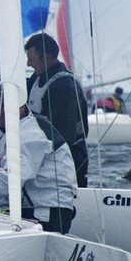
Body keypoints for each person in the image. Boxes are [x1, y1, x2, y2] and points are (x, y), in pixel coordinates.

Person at [0, 89, 77, 233]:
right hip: (33, 209)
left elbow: (10, 181)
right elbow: (10, 172)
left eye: (5, 106)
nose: (0, 112)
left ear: (21, 106)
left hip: (47, 214)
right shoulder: (18, 128)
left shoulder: (30, 134)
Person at [23, 32, 90, 188]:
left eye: (31, 59)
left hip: (68, 160)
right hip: (44, 157)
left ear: (46, 57)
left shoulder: (64, 86)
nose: (28, 64)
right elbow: (22, 92)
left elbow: (63, 134)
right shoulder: (38, 77)